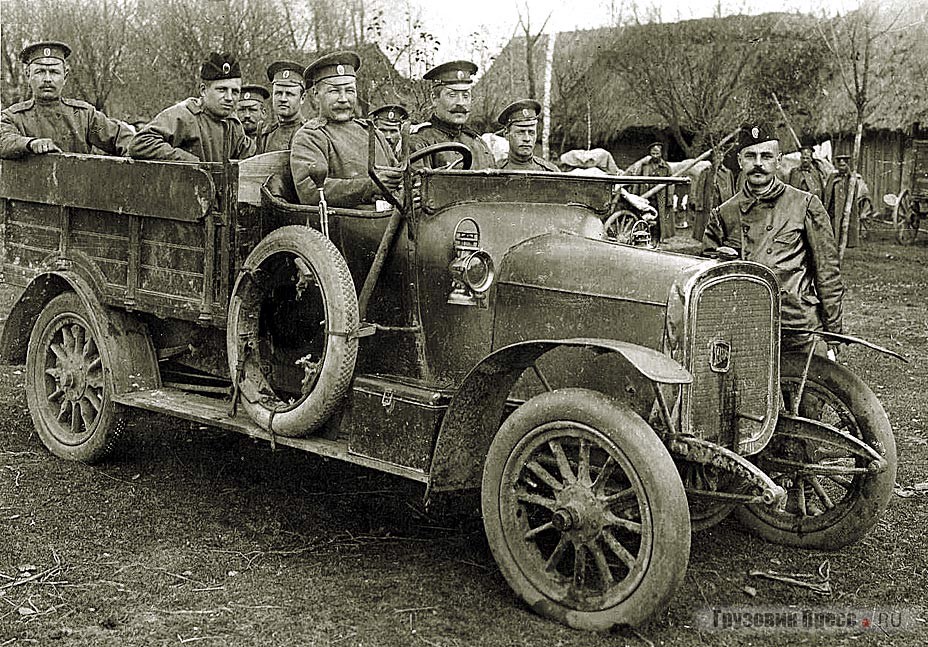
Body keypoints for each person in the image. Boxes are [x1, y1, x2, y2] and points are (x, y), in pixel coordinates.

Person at [703, 123, 844, 354]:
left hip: (799, 328)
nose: (758, 163)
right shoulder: (723, 214)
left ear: (778, 161)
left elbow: (828, 273)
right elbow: (707, 278)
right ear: (740, 161)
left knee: (809, 389)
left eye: (766, 156)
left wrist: (834, 334)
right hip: (745, 329)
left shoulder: (805, 205)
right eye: (751, 156)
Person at [290, 51, 401, 208]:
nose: (343, 99)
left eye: (349, 91)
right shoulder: (311, 136)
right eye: (334, 91)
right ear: (315, 94)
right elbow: (311, 191)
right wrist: (370, 186)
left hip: (391, 217)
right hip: (350, 225)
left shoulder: (371, 131)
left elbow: (397, 172)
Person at [0, 41, 132, 159]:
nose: (47, 79)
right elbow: (4, 140)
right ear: (28, 76)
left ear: (65, 76)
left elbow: (121, 138)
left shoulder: (84, 116)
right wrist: (30, 144)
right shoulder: (13, 117)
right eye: (40, 71)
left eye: (54, 72)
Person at [128, 52, 255, 162]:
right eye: (222, 90)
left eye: (235, 92)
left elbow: (249, 156)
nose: (229, 97)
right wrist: (188, 162)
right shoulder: (184, 115)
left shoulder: (233, 124)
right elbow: (140, 143)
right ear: (203, 90)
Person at [409, 60, 496, 169]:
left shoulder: (479, 144)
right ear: (434, 99)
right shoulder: (420, 142)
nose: (461, 102)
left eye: (466, 96)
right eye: (452, 95)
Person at [258, 61, 306, 154]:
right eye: (278, 93)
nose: (283, 99)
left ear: (302, 98)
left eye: (289, 94)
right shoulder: (266, 135)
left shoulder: (310, 134)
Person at [497, 99, 558, 171]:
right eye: (520, 132)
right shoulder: (495, 171)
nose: (527, 139)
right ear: (507, 134)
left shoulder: (550, 172)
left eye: (531, 132)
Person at [689, 147, 734, 240]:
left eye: (721, 156)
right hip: (709, 202)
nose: (719, 158)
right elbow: (700, 188)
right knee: (707, 223)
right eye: (716, 156)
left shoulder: (728, 173)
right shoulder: (706, 172)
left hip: (723, 202)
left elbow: (731, 189)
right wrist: (699, 204)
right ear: (712, 158)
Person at [823, 154, 864, 249]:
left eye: (844, 165)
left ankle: (843, 245)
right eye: (840, 165)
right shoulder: (832, 176)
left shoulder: (851, 178)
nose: (841, 167)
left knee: (844, 228)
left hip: (845, 208)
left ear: (847, 165)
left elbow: (853, 195)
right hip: (833, 208)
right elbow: (827, 192)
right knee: (833, 227)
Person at [636, 142, 674, 237]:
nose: (655, 156)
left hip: (660, 197)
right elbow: (637, 181)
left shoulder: (666, 167)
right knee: (645, 216)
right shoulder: (645, 166)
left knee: (658, 219)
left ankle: (657, 238)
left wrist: (669, 199)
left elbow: (670, 184)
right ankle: (644, 236)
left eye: (657, 154)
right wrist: (636, 195)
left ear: (661, 154)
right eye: (653, 154)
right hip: (646, 196)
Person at [787, 136, 826, 202]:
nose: (805, 160)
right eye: (803, 158)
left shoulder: (816, 173)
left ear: (811, 159)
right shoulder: (795, 172)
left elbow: (821, 191)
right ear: (800, 158)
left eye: (807, 158)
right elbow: (791, 192)